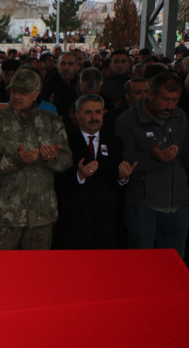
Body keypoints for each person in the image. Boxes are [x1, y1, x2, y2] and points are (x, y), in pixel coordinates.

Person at [0, 69, 72, 250]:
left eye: (23, 92)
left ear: (36, 93)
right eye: (14, 91)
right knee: (1, 273)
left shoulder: (52, 122)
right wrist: (17, 160)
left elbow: (66, 160)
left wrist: (50, 158)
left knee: (37, 274)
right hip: (4, 216)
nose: (17, 96)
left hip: (41, 216)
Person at [115, 72, 189, 257]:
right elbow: (124, 163)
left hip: (179, 204)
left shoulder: (180, 117)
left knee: (174, 266)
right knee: (141, 265)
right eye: (165, 99)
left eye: (175, 100)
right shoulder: (127, 121)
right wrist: (154, 158)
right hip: (143, 207)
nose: (170, 105)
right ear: (150, 95)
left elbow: (184, 153)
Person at [55, 94, 134, 249]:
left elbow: (118, 182)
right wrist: (80, 175)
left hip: (107, 220)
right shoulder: (65, 141)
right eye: (88, 112)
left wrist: (123, 178)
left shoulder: (114, 141)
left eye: (98, 112)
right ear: (77, 115)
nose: (94, 117)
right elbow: (57, 179)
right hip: (75, 219)